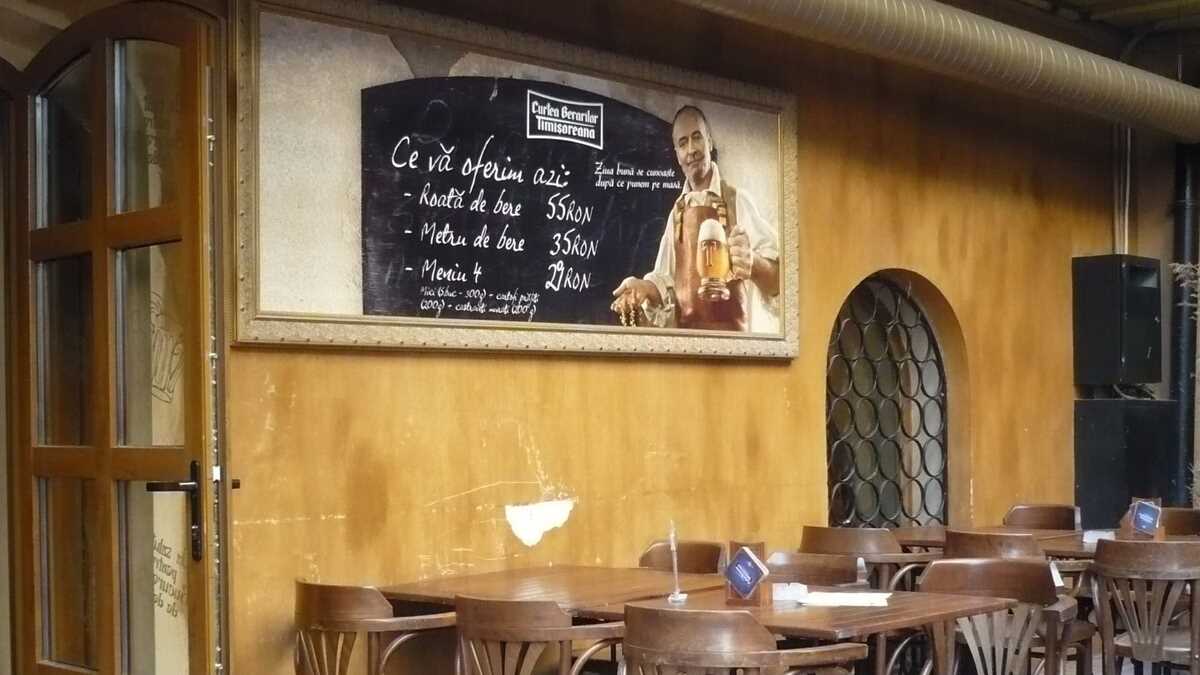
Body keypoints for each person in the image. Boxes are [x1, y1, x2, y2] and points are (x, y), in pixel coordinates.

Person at [611, 105, 780, 332]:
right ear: (677, 154)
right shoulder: (677, 213)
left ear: (709, 142)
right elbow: (665, 281)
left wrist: (754, 263)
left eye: (697, 137)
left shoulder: (737, 200)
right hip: (688, 346)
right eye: (683, 143)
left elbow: (780, 280)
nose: (691, 150)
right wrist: (643, 287)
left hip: (736, 347)